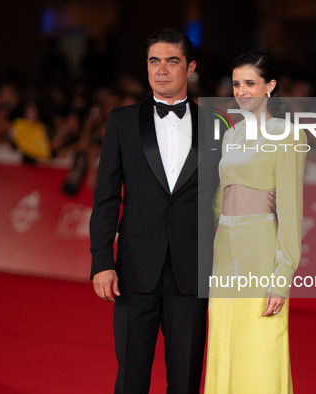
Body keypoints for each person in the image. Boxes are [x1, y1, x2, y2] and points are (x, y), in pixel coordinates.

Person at [89, 29, 222, 393]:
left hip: (193, 270)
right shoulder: (121, 121)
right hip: (134, 270)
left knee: (185, 378)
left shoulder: (216, 126)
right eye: (154, 61)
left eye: (172, 61)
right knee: (131, 376)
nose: (161, 70)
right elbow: (106, 196)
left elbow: (226, 200)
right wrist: (102, 259)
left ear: (190, 67)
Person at [204, 52, 307, 393]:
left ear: (270, 86)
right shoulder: (232, 135)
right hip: (225, 251)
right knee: (224, 341)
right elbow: (219, 199)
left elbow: (291, 210)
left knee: (261, 345)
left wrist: (283, 276)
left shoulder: (288, 135)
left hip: (260, 251)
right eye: (236, 84)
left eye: (250, 83)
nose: (242, 91)